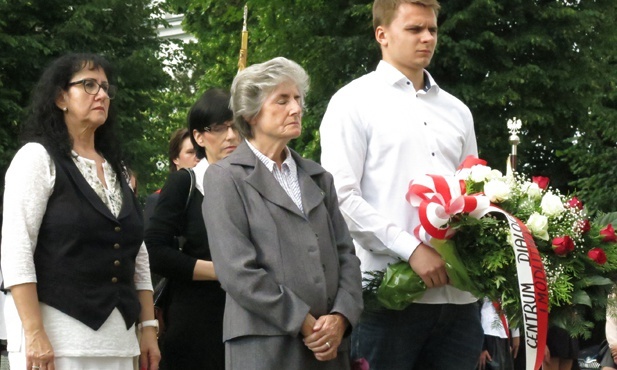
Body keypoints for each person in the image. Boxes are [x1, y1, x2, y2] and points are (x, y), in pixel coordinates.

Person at [319, 0, 483, 369]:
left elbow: (473, 195)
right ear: (382, 35)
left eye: (432, 29)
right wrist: (411, 249)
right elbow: (341, 199)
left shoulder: (457, 110)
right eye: (414, 29)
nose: (427, 38)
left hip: (459, 299)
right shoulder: (352, 102)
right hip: (386, 295)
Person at [202, 57, 363, 370]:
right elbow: (237, 271)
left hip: (329, 348)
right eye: (282, 100)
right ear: (251, 112)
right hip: (265, 347)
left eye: (298, 99)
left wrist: (341, 318)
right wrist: (305, 323)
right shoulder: (225, 177)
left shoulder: (319, 178)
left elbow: (347, 257)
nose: (296, 108)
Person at [0, 53, 160, 369]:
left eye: (104, 87)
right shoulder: (36, 159)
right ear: (61, 97)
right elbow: (16, 250)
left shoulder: (119, 169)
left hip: (119, 341)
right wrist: (34, 333)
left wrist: (149, 329)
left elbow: (136, 255)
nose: (101, 94)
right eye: (88, 85)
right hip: (55, 343)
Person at [144, 88, 239, 369]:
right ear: (199, 137)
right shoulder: (186, 183)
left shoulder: (256, 182)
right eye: (220, 129)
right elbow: (155, 251)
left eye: (236, 127)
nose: (231, 136)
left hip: (250, 317)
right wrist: (222, 271)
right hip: (196, 321)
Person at [143, 128, 199, 230]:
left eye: (201, 152)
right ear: (175, 158)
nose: (198, 157)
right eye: (190, 152)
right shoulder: (157, 199)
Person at [477, 298, 520, 370]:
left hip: (504, 336)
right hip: (487, 335)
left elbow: (512, 304)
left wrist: (515, 334)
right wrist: (481, 346)